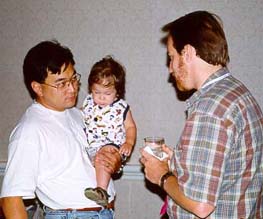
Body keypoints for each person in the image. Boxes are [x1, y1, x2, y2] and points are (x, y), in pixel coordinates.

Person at [140, 10, 263, 219]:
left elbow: (201, 205)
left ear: (187, 52)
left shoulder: (210, 109)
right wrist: (177, 161)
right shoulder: (239, 93)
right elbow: (223, 176)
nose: (170, 68)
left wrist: (161, 175)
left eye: (171, 57)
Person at [0, 40, 121, 219]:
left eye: (73, 79)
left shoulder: (78, 115)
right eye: (61, 83)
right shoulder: (29, 130)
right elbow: (11, 199)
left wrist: (114, 163)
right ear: (37, 87)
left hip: (103, 212)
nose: (72, 88)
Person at [82, 56, 137, 207]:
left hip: (111, 144)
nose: (100, 97)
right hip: (92, 144)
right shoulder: (88, 102)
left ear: (117, 93)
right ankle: (100, 188)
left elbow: (131, 127)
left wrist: (129, 142)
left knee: (103, 160)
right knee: (97, 161)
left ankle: (101, 190)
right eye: (96, 92)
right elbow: (84, 116)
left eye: (106, 94)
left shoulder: (120, 108)